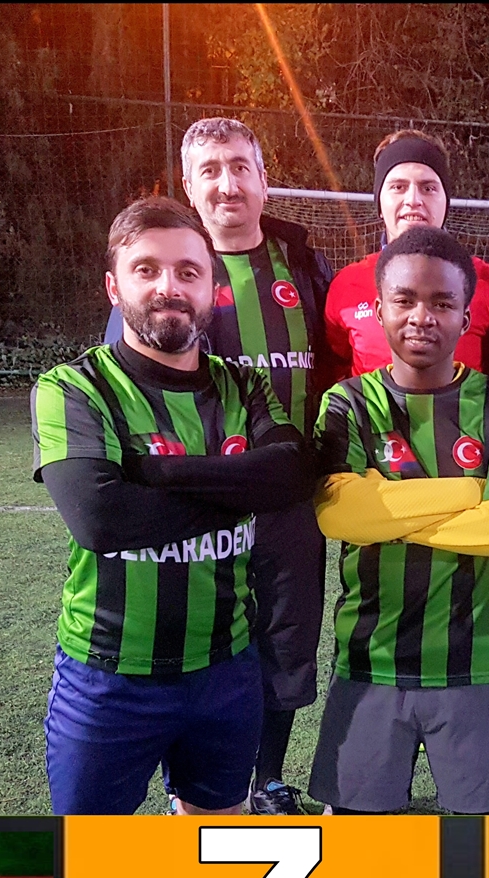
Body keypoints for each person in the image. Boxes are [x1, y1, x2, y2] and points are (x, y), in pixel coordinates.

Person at [33, 196, 315, 815]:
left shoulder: (242, 385)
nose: (170, 287)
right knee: (90, 858)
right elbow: (102, 519)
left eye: (189, 271)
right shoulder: (74, 387)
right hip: (109, 674)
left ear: (212, 289)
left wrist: (155, 473)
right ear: (114, 288)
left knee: (215, 838)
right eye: (147, 269)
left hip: (225, 666)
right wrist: (241, 490)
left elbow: (292, 475)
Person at [107, 118, 335, 816]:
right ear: (188, 185)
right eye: (209, 169)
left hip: (292, 500)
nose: (227, 183)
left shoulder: (302, 265)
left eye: (239, 166)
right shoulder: (170, 274)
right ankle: (194, 788)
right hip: (200, 506)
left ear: (264, 179)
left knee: (287, 642)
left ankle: (268, 778)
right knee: (205, 643)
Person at [309, 226, 489, 814]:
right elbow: (338, 513)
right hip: (370, 658)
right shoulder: (347, 403)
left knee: (478, 852)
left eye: (441, 303)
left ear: (465, 317)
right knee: (361, 847)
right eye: (405, 300)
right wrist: (471, 492)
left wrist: (384, 509)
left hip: (475, 661)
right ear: (379, 309)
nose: (422, 317)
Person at [324, 130, 489, 381]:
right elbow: (334, 368)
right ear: (379, 202)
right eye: (398, 187)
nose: (413, 200)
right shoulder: (345, 285)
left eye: (428, 188)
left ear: (446, 200)